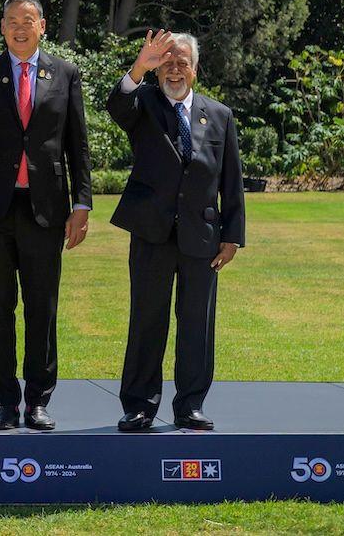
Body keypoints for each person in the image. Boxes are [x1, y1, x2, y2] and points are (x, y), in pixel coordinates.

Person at [0, 0, 92, 431]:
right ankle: (7, 402)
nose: (19, 27)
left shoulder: (65, 73)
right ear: (2, 27)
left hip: (45, 209)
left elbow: (77, 143)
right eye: (11, 20)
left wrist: (82, 202)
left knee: (42, 307)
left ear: (42, 25)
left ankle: (38, 400)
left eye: (27, 19)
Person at [108, 30, 245, 433]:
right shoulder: (144, 103)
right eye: (167, 62)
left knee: (196, 324)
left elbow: (231, 180)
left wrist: (232, 235)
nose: (175, 69)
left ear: (195, 70)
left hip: (202, 237)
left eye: (182, 62)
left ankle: (190, 405)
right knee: (147, 320)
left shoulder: (218, 115)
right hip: (152, 232)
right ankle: (139, 406)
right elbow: (116, 104)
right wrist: (139, 65)